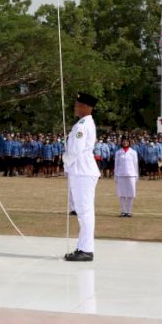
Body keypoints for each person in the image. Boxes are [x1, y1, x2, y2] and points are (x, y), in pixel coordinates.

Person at [63, 92, 99, 262]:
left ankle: (86, 249)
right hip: (81, 170)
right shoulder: (84, 124)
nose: (75, 107)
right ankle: (83, 246)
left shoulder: (82, 126)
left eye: (78, 105)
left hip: (82, 170)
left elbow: (75, 151)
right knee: (84, 211)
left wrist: (64, 160)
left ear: (86, 107)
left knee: (84, 212)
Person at [114, 136, 139, 217]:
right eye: (123, 141)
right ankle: (123, 211)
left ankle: (128, 211)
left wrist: (136, 175)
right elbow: (116, 164)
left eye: (126, 141)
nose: (125, 143)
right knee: (122, 194)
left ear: (129, 143)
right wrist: (115, 175)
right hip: (120, 174)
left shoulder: (133, 152)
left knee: (131, 193)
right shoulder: (118, 152)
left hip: (131, 174)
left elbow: (135, 164)